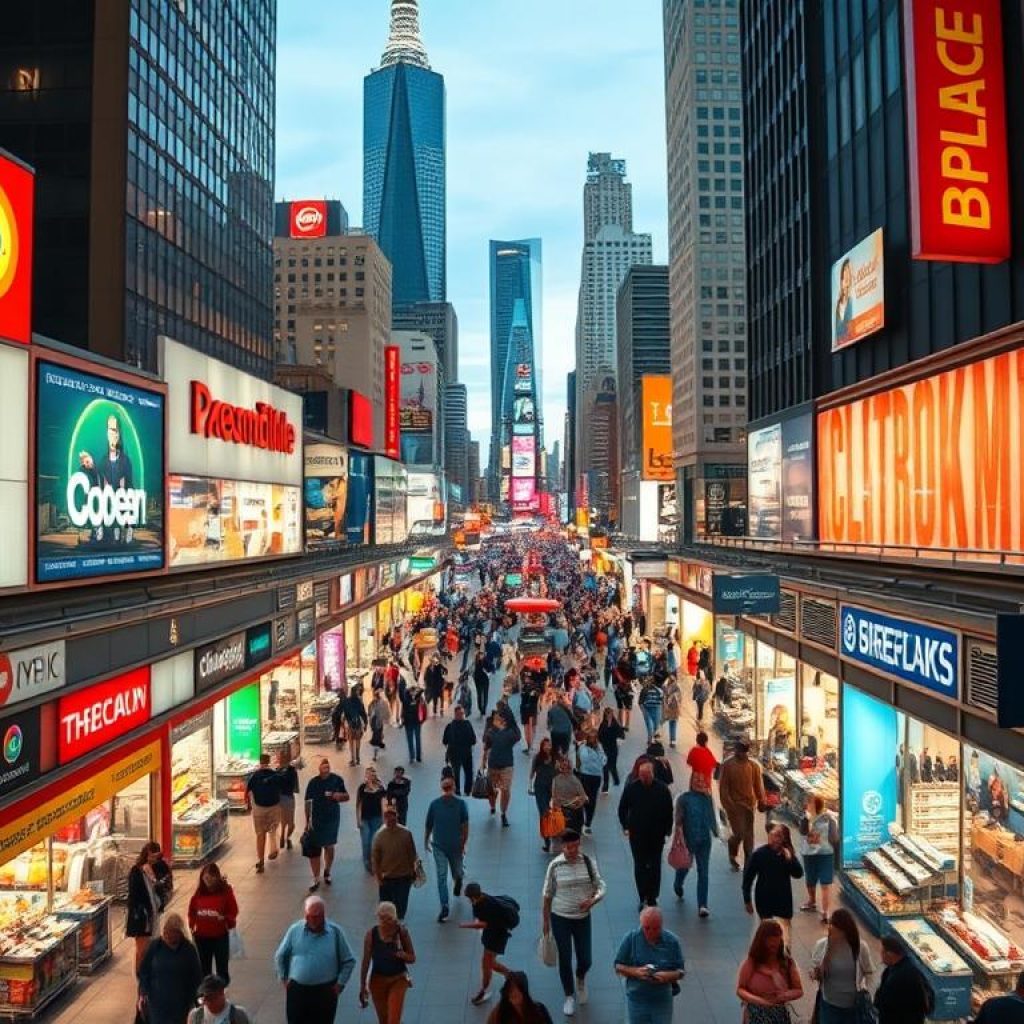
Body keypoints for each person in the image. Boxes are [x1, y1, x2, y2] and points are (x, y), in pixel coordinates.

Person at [541, 830, 606, 1017]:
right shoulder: (555, 866)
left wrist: (593, 900)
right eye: (569, 847)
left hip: (582, 918)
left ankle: (581, 977)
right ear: (562, 846)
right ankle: (569, 995)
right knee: (565, 957)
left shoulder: (587, 862)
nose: (573, 850)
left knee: (586, 958)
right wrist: (545, 922)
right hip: (560, 916)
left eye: (576, 845)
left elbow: (601, 885)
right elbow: (547, 895)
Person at [274, 895, 356, 1024]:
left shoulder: (335, 932)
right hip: (298, 990)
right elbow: (280, 955)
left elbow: (349, 960)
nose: (311, 920)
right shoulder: (295, 930)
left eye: (316, 917)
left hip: (325, 991)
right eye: (308, 916)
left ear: (323, 915)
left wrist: (340, 984)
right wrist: (284, 979)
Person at [613, 906, 686, 1024]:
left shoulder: (672, 941)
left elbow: (681, 971)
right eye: (646, 928)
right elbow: (618, 965)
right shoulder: (631, 939)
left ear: (661, 925)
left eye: (656, 928)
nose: (651, 932)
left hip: (662, 1000)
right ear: (641, 924)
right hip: (636, 999)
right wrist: (636, 972)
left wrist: (668, 976)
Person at [618, 760, 674, 911]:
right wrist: (625, 826)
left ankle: (653, 896)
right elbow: (622, 808)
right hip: (637, 835)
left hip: (657, 835)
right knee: (640, 865)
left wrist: (668, 830)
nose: (644, 778)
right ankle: (642, 895)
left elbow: (669, 810)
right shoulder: (632, 788)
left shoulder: (662, 789)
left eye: (647, 775)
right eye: (642, 775)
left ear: (652, 774)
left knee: (655, 865)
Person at [743, 824, 805, 949]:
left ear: (784, 839)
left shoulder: (787, 854)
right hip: (764, 899)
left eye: (778, 835)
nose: (773, 838)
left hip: (783, 900)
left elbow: (798, 874)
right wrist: (747, 899)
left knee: (785, 936)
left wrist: (790, 859)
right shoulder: (759, 854)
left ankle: (785, 959)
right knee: (767, 933)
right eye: (772, 834)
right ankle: (767, 957)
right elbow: (748, 877)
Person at [809, 908, 875, 1024]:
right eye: (831, 925)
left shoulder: (860, 947)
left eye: (836, 927)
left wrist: (865, 989)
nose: (831, 929)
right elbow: (814, 973)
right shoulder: (822, 946)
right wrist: (816, 972)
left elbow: (869, 971)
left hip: (854, 1005)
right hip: (829, 1003)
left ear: (845, 930)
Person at [137, 913, 203, 1024]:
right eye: (166, 931)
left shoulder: (188, 949)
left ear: (180, 932)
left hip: (181, 1005)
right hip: (157, 1005)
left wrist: (197, 1000)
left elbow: (196, 977)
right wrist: (143, 993)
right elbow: (144, 972)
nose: (168, 935)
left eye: (172, 932)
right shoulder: (155, 946)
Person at [358, 901, 416, 1024]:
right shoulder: (371, 935)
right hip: (377, 980)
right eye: (382, 918)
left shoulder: (402, 932)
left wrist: (403, 955)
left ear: (394, 918)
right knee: (383, 1020)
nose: (385, 922)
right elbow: (366, 961)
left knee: (393, 1020)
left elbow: (412, 957)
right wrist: (363, 986)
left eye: (388, 919)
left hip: (399, 979)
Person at [461, 882, 519, 1006]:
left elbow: (483, 924)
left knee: (487, 964)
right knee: (488, 963)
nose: (468, 901)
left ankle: (485, 990)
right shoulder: (483, 898)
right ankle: (509, 975)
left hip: (496, 937)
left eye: (469, 898)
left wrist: (464, 925)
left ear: (473, 897)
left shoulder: (485, 907)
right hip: (494, 934)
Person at [736, 919, 804, 1024]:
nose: (773, 943)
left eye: (776, 938)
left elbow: (799, 990)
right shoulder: (752, 961)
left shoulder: (787, 962)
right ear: (761, 940)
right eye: (769, 939)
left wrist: (784, 995)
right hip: (756, 1013)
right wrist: (759, 1001)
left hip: (779, 1013)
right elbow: (740, 989)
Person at [672, 772, 719, 917]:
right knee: (685, 866)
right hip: (689, 839)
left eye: (702, 780)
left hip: (705, 840)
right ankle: (678, 884)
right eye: (696, 780)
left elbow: (712, 817)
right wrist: (678, 832)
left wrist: (716, 831)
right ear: (691, 782)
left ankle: (703, 905)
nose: (700, 782)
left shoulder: (708, 798)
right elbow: (678, 818)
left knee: (703, 871)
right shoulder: (684, 798)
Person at [424, 775, 469, 922]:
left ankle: (459, 880)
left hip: (454, 846)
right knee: (442, 875)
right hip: (440, 846)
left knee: (456, 872)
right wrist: (426, 841)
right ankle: (444, 905)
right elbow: (429, 824)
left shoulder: (460, 804)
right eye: (446, 788)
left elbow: (464, 825)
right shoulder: (435, 805)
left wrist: (463, 843)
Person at [187, 862, 238, 986]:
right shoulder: (199, 893)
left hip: (220, 935)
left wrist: (225, 918)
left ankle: (221, 989)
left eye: (210, 878)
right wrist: (192, 926)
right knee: (204, 967)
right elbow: (191, 911)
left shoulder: (226, 891)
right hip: (201, 936)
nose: (208, 881)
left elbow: (233, 910)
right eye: (205, 878)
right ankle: (207, 992)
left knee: (222, 967)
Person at [719, 740, 767, 870]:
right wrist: (729, 805)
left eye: (744, 751)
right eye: (739, 751)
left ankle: (749, 862)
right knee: (739, 833)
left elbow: (758, 785)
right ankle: (732, 848)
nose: (741, 754)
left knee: (749, 835)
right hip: (735, 806)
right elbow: (723, 788)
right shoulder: (728, 765)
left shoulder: (753, 766)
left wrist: (762, 800)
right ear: (735, 750)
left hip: (749, 806)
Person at [304, 758, 349, 891]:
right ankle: (316, 877)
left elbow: (347, 796)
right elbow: (308, 802)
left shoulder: (337, 780)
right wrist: (307, 821)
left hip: (331, 819)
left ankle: (327, 870)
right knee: (314, 849)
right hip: (316, 819)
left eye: (327, 767)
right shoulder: (313, 783)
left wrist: (338, 796)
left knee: (329, 846)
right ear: (319, 769)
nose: (326, 769)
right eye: (323, 767)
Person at [126, 841, 170, 973]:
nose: (152, 860)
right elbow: (133, 894)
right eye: (150, 856)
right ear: (145, 854)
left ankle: (149, 971)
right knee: (142, 948)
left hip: (153, 914)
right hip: (141, 917)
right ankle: (140, 975)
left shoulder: (158, 868)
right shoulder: (136, 871)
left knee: (152, 944)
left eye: (155, 857)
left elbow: (166, 881)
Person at [372, 804, 419, 921]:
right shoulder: (380, 836)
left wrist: (413, 871)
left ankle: (397, 925)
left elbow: (412, 854)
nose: (390, 821)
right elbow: (376, 859)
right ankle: (396, 924)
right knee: (393, 907)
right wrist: (378, 877)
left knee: (397, 907)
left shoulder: (404, 834)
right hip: (389, 878)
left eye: (392, 818)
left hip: (400, 877)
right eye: (388, 818)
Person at [874, 935, 932, 1024]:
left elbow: (883, 1003)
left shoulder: (899, 977)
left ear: (890, 954)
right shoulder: (906, 966)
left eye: (882, 952)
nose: (880, 955)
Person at [799, 795, 839, 923]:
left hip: (824, 854)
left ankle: (825, 911)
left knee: (824, 883)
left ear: (816, 805)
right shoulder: (806, 818)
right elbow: (803, 832)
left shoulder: (829, 819)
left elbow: (834, 837)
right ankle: (812, 901)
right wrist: (806, 820)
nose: (807, 805)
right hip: (812, 854)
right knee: (811, 880)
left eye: (809, 803)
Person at [483, 710, 522, 827]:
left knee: (506, 790)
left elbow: (518, 735)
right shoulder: (491, 732)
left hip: (506, 765)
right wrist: (483, 762)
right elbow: (485, 744)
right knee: (491, 790)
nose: (499, 721)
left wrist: (513, 722)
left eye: (501, 719)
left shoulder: (510, 733)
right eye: (497, 718)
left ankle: (503, 813)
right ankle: (493, 806)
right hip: (493, 765)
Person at [244, 753, 280, 873]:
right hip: (274, 806)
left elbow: (248, 791)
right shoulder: (275, 775)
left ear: (260, 762)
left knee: (260, 834)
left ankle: (261, 861)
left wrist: (249, 806)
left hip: (259, 809)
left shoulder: (255, 776)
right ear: (269, 761)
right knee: (273, 830)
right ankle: (273, 848)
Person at [485, 971, 554, 1024]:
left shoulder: (539, 1009)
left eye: (517, 988)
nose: (514, 992)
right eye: (511, 988)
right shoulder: (500, 1012)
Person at [356, 766, 388, 873]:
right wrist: (358, 819)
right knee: (366, 841)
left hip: (377, 818)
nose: (370, 777)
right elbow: (358, 804)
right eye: (368, 774)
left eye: (372, 774)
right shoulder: (361, 788)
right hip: (364, 819)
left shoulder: (380, 788)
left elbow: (383, 803)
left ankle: (375, 862)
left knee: (374, 840)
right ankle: (367, 861)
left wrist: (385, 819)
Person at [530, 738, 558, 852]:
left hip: (551, 787)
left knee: (550, 810)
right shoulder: (538, 758)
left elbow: (559, 770)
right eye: (545, 745)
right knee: (544, 811)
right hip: (540, 787)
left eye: (549, 745)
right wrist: (530, 784)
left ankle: (551, 832)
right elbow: (532, 772)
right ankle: (547, 838)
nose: (547, 747)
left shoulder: (555, 757)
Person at [187, 975, 251, 1024]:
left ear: (221, 992)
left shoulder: (238, 1015)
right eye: (205, 999)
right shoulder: (195, 1016)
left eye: (212, 998)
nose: (208, 1003)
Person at [443, 703, 477, 795]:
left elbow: (444, 741)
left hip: (455, 754)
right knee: (467, 772)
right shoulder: (467, 724)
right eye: (460, 714)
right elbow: (474, 740)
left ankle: (459, 790)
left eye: (461, 714)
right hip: (464, 753)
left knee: (457, 773)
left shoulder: (450, 726)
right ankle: (467, 790)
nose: (461, 715)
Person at [551, 753, 589, 836]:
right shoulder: (575, 780)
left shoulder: (556, 780)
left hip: (564, 812)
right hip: (572, 812)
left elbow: (554, 797)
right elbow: (583, 796)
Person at [576, 731, 606, 834]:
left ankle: (588, 823)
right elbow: (580, 760)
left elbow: (603, 760)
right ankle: (581, 821)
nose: (592, 740)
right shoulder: (583, 747)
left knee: (592, 800)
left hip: (595, 777)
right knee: (584, 799)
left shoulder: (599, 748)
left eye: (594, 738)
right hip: (585, 776)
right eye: (591, 738)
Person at [276, 752, 300, 851]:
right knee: (291, 823)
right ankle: (287, 837)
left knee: (283, 821)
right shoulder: (292, 772)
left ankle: (282, 835)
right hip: (289, 798)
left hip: (280, 799)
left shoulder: (277, 771)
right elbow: (295, 788)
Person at [598, 707, 625, 791]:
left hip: (613, 747)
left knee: (612, 766)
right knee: (605, 766)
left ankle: (616, 781)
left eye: (610, 715)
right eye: (608, 715)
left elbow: (622, 734)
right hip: (605, 748)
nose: (609, 717)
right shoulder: (603, 725)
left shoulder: (615, 724)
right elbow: (600, 736)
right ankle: (605, 786)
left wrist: (618, 739)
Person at [342, 684, 369, 766]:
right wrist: (366, 723)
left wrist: (345, 723)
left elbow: (345, 714)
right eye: (357, 691)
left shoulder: (347, 701)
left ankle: (352, 759)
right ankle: (358, 757)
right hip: (358, 725)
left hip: (350, 725)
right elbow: (363, 713)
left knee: (351, 743)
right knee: (357, 741)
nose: (358, 692)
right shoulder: (359, 701)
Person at [400, 683, 425, 763]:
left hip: (416, 721)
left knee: (417, 739)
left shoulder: (419, 698)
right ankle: (412, 756)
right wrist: (402, 718)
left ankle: (417, 756)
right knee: (410, 740)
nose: (413, 693)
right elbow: (403, 709)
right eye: (412, 691)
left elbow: (423, 707)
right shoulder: (406, 699)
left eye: (414, 691)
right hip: (409, 722)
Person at [638, 678, 664, 744]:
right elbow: (640, 702)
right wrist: (643, 711)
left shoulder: (659, 689)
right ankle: (651, 740)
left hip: (654, 708)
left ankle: (651, 739)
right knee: (652, 726)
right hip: (650, 709)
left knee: (653, 726)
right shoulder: (646, 689)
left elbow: (663, 701)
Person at [368, 688, 389, 759]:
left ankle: (375, 755)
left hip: (377, 723)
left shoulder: (381, 703)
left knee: (376, 738)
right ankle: (380, 746)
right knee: (378, 736)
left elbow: (385, 714)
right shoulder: (374, 702)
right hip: (376, 723)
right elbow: (370, 712)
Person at [662, 674, 682, 747]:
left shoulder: (666, 687)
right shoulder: (678, 687)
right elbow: (680, 699)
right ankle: (673, 741)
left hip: (668, 709)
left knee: (661, 723)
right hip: (675, 710)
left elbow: (663, 694)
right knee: (673, 724)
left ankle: (657, 738)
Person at [474, 650, 492, 718]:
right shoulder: (476, 662)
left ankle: (483, 709)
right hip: (478, 682)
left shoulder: (486, 661)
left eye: (482, 654)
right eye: (480, 655)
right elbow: (475, 673)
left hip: (485, 681)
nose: (481, 656)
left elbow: (491, 668)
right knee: (479, 696)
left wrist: (487, 670)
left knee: (485, 695)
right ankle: (480, 708)